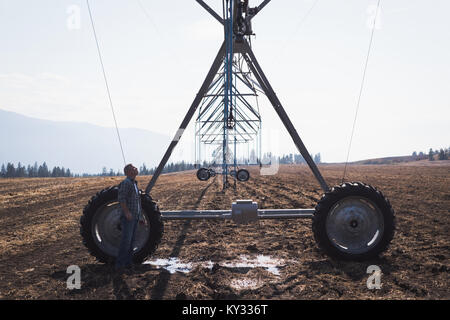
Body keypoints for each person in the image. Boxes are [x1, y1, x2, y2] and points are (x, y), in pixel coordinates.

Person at [115, 163, 143, 273]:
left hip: (134, 217)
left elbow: (137, 202)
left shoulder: (134, 184)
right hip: (129, 217)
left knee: (131, 242)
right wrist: (126, 213)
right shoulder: (126, 183)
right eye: (133, 168)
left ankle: (128, 263)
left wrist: (140, 217)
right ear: (128, 172)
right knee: (126, 242)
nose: (136, 169)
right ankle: (120, 265)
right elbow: (121, 198)